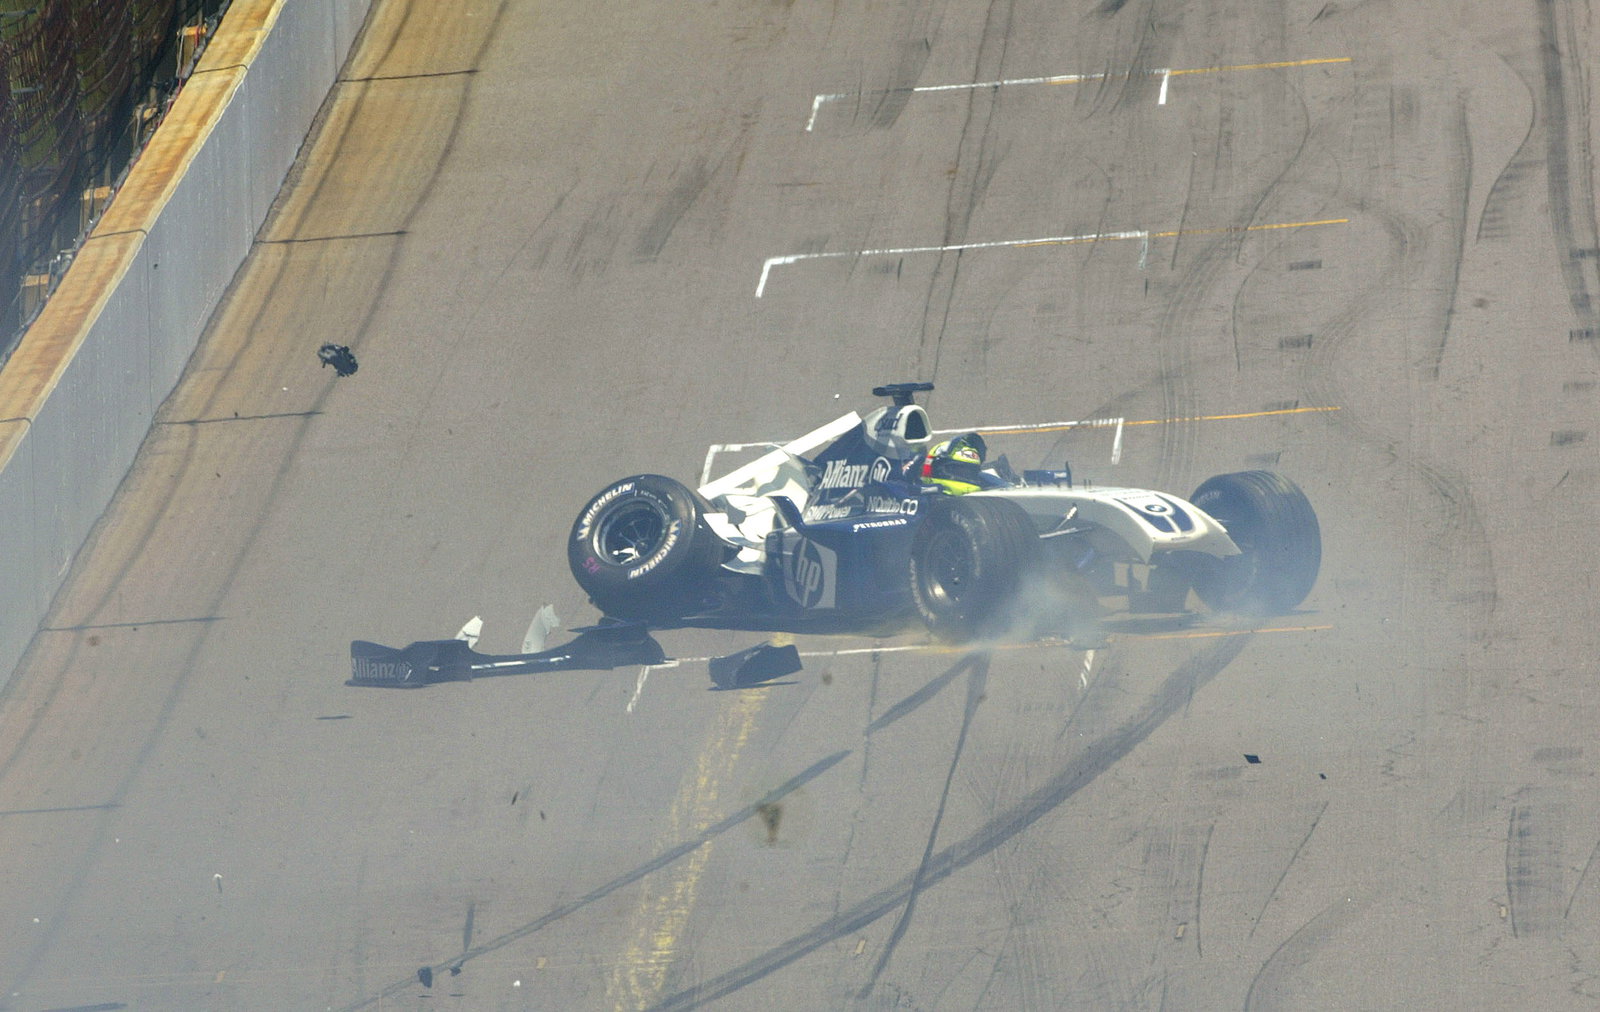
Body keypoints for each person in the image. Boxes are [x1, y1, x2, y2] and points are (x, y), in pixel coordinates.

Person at [920, 432, 1005, 494]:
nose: (965, 475)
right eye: (958, 471)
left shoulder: (986, 485)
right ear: (935, 468)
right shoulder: (916, 493)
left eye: (970, 472)